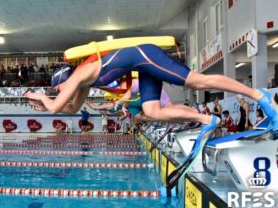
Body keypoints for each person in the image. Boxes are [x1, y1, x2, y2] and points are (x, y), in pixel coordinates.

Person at [25, 43, 278, 149]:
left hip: (145, 56)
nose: (60, 93)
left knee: (196, 80)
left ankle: (259, 94)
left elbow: (58, 106)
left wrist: (38, 97)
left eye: (58, 89)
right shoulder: (80, 84)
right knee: (153, 111)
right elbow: (68, 109)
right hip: (142, 69)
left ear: (63, 81)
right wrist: (44, 106)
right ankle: (205, 120)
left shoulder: (78, 75)